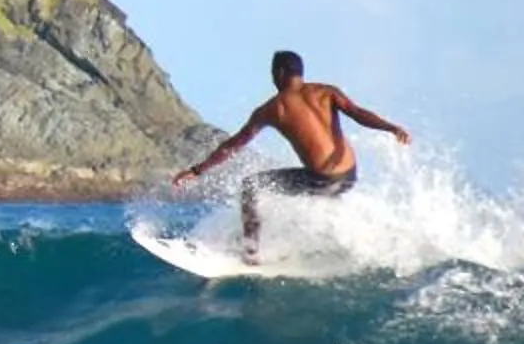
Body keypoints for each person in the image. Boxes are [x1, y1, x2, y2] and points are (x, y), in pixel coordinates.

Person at [173, 49, 410, 262]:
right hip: (349, 175)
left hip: (322, 180)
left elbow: (233, 145)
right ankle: (319, 243)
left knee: (251, 187)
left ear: (280, 72)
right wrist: (391, 127)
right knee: (300, 193)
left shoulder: (275, 108)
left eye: (273, 73)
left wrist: (196, 170)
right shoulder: (327, 92)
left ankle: (251, 252)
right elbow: (358, 114)